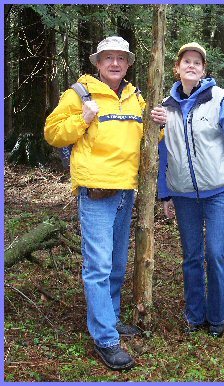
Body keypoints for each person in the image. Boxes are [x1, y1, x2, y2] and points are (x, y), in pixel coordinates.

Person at [44, 36, 145, 370]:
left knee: (116, 263)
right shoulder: (79, 93)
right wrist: (82, 119)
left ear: (128, 63)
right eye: (107, 58)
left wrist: (161, 123)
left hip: (126, 191)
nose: (114, 63)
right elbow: (52, 133)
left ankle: (111, 318)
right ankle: (105, 339)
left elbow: (145, 137)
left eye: (120, 58)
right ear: (97, 63)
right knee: (99, 266)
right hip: (97, 193)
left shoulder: (135, 97)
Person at [151, 42, 224, 338]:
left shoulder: (220, 100)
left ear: (204, 70)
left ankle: (216, 318)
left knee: (216, 254)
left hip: (219, 192)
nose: (191, 65)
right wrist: (165, 194)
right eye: (186, 62)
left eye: (197, 62)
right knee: (191, 256)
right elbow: (163, 154)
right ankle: (195, 316)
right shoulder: (164, 108)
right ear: (177, 68)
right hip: (183, 196)